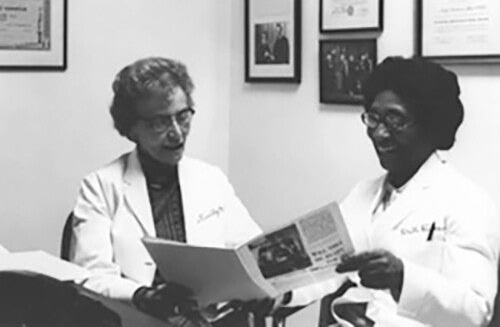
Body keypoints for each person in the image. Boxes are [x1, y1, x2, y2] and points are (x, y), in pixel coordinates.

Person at [288, 57, 500, 326]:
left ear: (430, 125)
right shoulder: (362, 194)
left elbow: (476, 310)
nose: (379, 133)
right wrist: (281, 294)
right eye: (373, 118)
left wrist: (403, 278)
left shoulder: (467, 201)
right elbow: (327, 269)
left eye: (395, 120)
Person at [69, 57, 262, 326]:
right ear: (131, 128)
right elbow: (90, 276)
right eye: (159, 122)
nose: (177, 134)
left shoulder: (211, 178)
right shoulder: (101, 186)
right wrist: (142, 296)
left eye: (182, 117)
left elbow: (251, 251)